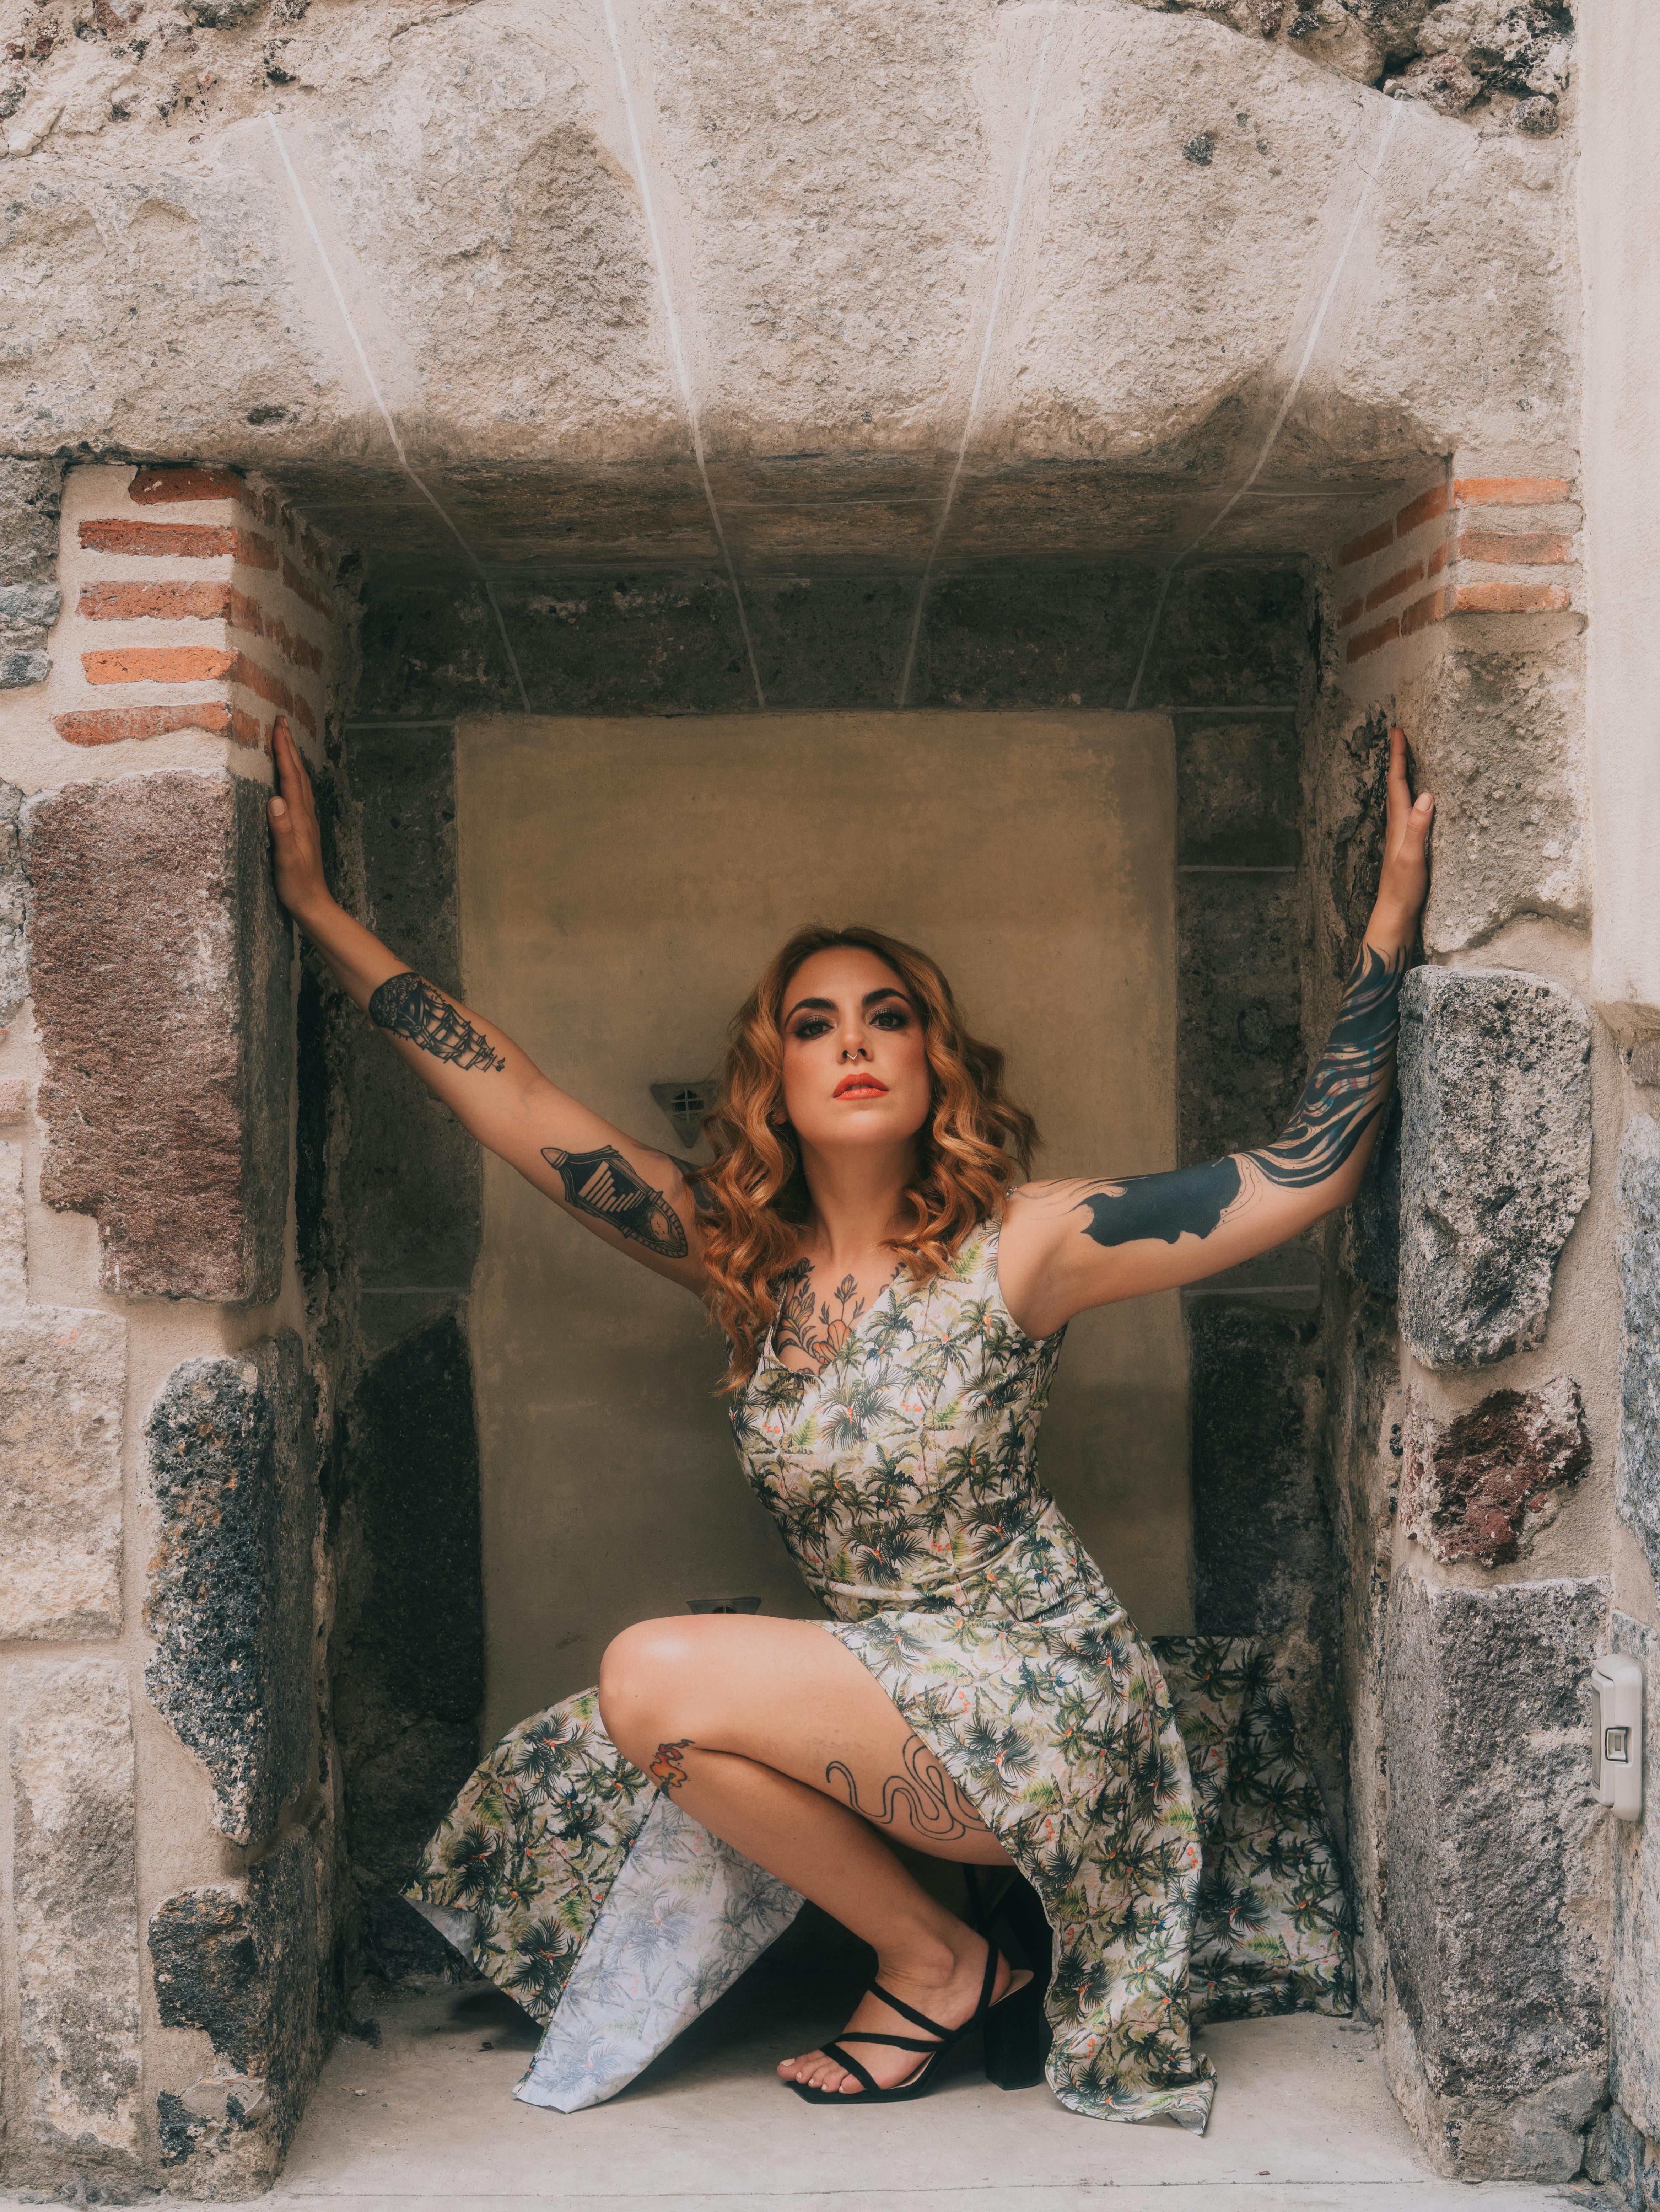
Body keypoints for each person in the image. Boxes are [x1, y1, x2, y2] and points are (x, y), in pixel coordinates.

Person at [267, 716, 1432, 2122]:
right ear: (777, 1080)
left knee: (647, 1667)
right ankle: (945, 1953)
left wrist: (1386, 925)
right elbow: (520, 1110)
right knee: (655, 1716)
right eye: (813, 1024)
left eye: (887, 1014)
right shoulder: (741, 1258)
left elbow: (1299, 1176)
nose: (854, 1043)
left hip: (1042, 1700)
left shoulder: (1028, 1241)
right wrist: (326, 915)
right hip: (895, 1688)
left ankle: (935, 1960)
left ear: (938, 1057)